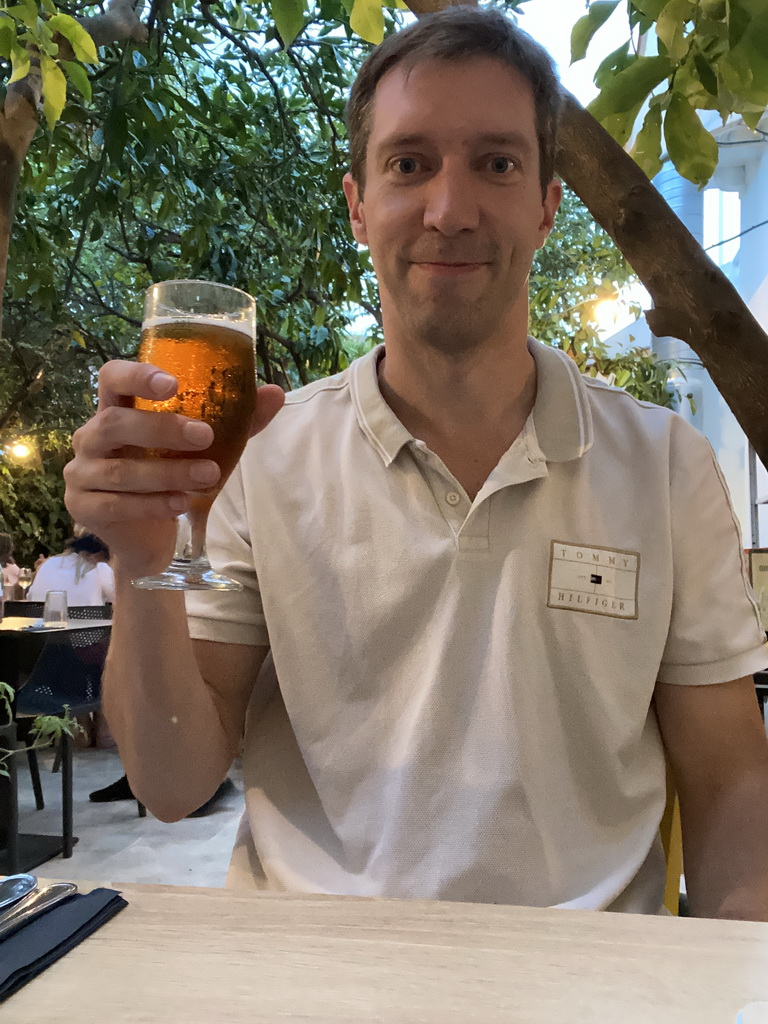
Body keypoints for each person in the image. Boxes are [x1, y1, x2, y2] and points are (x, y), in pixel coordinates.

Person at [64, 8, 768, 918]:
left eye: (498, 163)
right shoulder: (266, 459)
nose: (450, 209)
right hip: (315, 982)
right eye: (409, 163)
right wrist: (142, 562)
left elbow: (733, 791)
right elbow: (169, 784)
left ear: (549, 202)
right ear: (358, 204)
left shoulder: (664, 463)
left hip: (588, 989)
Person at [27, 531, 115, 605]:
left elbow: (30, 597)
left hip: (40, 624)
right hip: (86, 624)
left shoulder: (48, 563)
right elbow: (123, 596)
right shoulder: (101, 569)